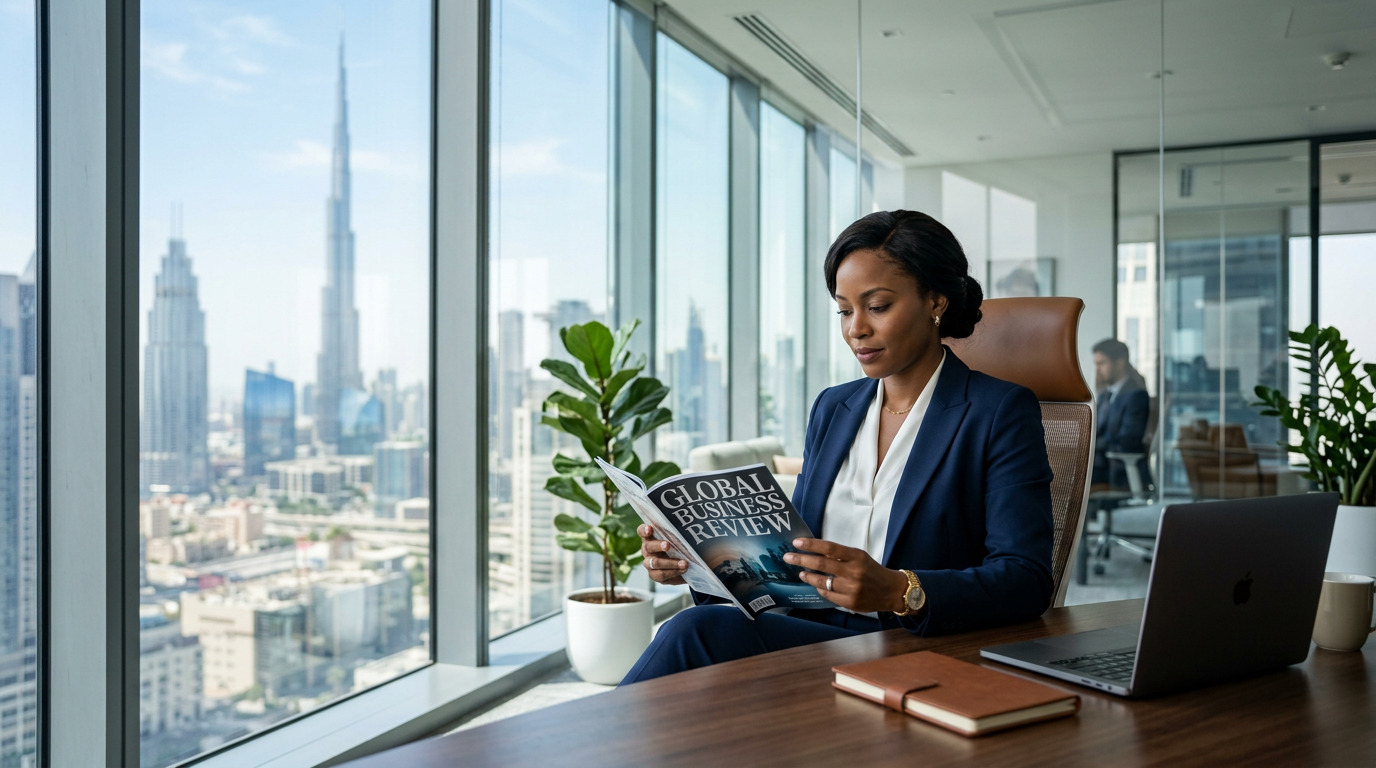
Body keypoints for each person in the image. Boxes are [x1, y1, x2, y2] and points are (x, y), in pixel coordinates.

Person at [620, 210, 1055, 684]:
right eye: (845, 310)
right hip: (811, 630)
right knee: (694, 640)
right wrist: (698, 563)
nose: (856, 329)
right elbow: (792, 560)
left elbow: (1026, 580)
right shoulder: (834, 407)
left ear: (935, 301)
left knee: (692, 635)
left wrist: (898, 589)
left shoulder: (998, 410)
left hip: (911, 645)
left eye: (878, 306)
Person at [1090, 339, 1150, 491]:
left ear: (1120, 363)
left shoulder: (1136, 395)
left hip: (1116, 468)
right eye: (1096, 364)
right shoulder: (1105, 395)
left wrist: (1092, 446)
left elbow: (1128, 439)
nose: (1097, 370)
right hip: (1101, 464)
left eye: (1102, 363)